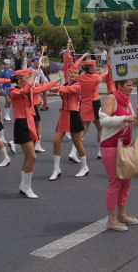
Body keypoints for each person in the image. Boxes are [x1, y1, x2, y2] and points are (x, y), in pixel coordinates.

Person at [99, 78, 138, 232]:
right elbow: (103, 120)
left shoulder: (127, 100)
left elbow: (133, 125)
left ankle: (122, 215)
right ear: (119, 85)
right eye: (129, 85)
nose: (132, 88)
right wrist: (125, 118)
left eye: (132, 85)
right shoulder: (111, 98)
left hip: (125, 145)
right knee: (115, 182)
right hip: (110, 145)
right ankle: (112, 219)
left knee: (126, 181)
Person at [49, 47, 87, 180]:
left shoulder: (77, 86)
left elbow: (67, 89)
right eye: (70, 72)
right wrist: (68, 47)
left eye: (74, 73)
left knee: (77, 143)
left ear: (78, 76)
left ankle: (84, 167)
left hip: (73, 114)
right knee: (56, 141)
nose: (71, 74)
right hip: (64, 114)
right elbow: (66, 63)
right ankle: (56, 169)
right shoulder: (67, 81)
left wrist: (56, 87)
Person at [9, 69, 42, 198]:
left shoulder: (28, 88)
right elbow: (23, 91)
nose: (28, 79)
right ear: (19, 80)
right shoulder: (13, 91)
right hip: (21, 124)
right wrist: (32, 77)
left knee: (29, 157)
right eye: (25, 77)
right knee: (32, 156)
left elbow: (40, 88)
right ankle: (26, 187)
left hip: (30, 123)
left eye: (28, 77)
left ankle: (24, 186)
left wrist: (56, 82)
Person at [69, 57, 107, 162]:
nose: (95, 68)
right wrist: (106, 71)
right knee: (100, 127)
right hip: (94, 103)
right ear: (90, 68)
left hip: (84, 104)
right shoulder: (95, 77)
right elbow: (101, 77)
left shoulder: (80, 78)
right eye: (94, 66)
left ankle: (73, 152)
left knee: (83, 130)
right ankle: (100, 151)